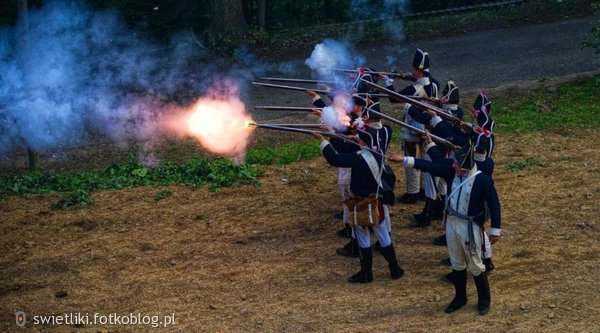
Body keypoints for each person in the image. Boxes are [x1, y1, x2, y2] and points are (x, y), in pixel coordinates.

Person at [389, 142, 501, 315]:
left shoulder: (483, 180)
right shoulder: (451, 171)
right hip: (452, 223)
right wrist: (404, 160)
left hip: (469, 227)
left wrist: (495, 230)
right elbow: (429, 166)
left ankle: (484, 299)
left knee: (476, 265)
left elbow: (494, 204)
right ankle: (460, 297)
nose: (453, 164)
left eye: (456, 163)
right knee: (457, 263)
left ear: (465, 166)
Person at [313, 120, 403, 284]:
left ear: (363, 141)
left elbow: (334, 159)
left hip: (362, 203)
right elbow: (348, 147)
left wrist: (322, 140)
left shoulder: (360, 158)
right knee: (384, 236)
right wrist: (333, 135)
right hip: (377, 202)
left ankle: (366, 273)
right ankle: (394, 269)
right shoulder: (377, 152)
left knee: (362, 238)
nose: (356, 138)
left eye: (359, 138)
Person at [382, 48, 439, 204]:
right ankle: (424, 191)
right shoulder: (434, 84)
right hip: (429, 126)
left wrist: (388, 83)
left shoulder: (414, 89)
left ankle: (413, 192)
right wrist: (410, 77)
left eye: (414, 70)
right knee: (427, 159)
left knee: (411, 158)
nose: (412, 71)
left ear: (419, 71)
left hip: (414, 127)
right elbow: (426, 80)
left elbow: (394, 99)